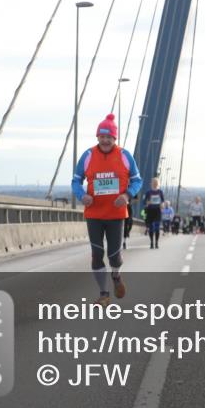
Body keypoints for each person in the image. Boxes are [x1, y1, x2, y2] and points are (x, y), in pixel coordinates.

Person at [71, 114, 142, 307]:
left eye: (108, 136)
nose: (105, 140)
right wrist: (81, 195)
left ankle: (116, 276)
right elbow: (76, 181)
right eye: (102, 136)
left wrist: (127, 196)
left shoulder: (125, 155)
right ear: (97, 137)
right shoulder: (87, 156)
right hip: (94, 213)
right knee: (96, 254)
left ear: (114, 138)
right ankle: (104, 294)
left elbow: (137, 180)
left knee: (114, 255)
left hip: (116, 215)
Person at [143, 178, 165, 249]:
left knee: (157, 228)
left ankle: (156, 242)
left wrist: (162, 205)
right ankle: (151, 242)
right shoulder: (148, 192)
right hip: (150, 211)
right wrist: (147, 203)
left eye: (156, 183)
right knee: (151, 228)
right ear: (151, 184)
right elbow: (144, 202)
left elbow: (163, 201)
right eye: (153, 182)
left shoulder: (160, 192)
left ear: (158, 184)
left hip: (157, 211)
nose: (155, 184)